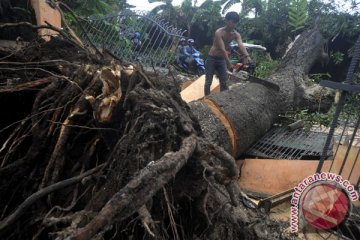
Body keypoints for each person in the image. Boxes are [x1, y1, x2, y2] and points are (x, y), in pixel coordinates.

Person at [204, 11, 253, 96]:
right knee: (208, 81)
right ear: (226, 21)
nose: (234, 24)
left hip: (221, 59)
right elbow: (223, 49)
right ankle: (206, 99)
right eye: (232, 22)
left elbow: (241, 46)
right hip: (212, 58)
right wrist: (229, 63)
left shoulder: (236, 34)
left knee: (224, 81)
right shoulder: (219, 32)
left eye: (235, 23)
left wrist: (247, 56)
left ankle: (223, 99)